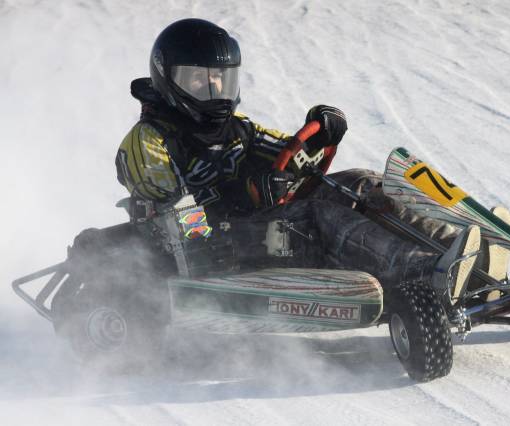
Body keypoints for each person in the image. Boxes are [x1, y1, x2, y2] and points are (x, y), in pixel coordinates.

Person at [115, 18, 487, 304]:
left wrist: (322, 132)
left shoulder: (237, 128)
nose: (213, 90)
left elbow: (289, 153)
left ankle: (456, 248)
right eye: (198, 80)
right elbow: (175, 216)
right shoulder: (149, 140)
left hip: (255, 224)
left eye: (220, 80)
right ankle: (422, 271)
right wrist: (246, 195)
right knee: (317, 215)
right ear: (168, 79)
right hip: (210, 248)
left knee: (359, 182)